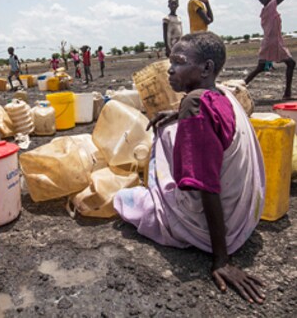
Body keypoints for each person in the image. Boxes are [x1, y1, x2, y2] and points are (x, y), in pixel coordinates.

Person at [114, 32, 266, 304]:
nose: (170, 69)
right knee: (169, 129)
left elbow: (206, 184)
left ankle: (185, 224)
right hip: (246, 216)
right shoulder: (222, 93)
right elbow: (214, 119)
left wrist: (221, 260)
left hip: (222, 230)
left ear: (206, 68)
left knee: (126, 200)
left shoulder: (194, 103)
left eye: (179, 62)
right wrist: (176, 114)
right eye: (170, 61)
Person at [244, 0, 295, 99]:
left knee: (260, 68)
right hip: (274, 43)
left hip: (270, 42)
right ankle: (287, 93)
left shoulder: (266, 8)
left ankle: (241, 85)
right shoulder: (271, 6)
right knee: (291, 64)